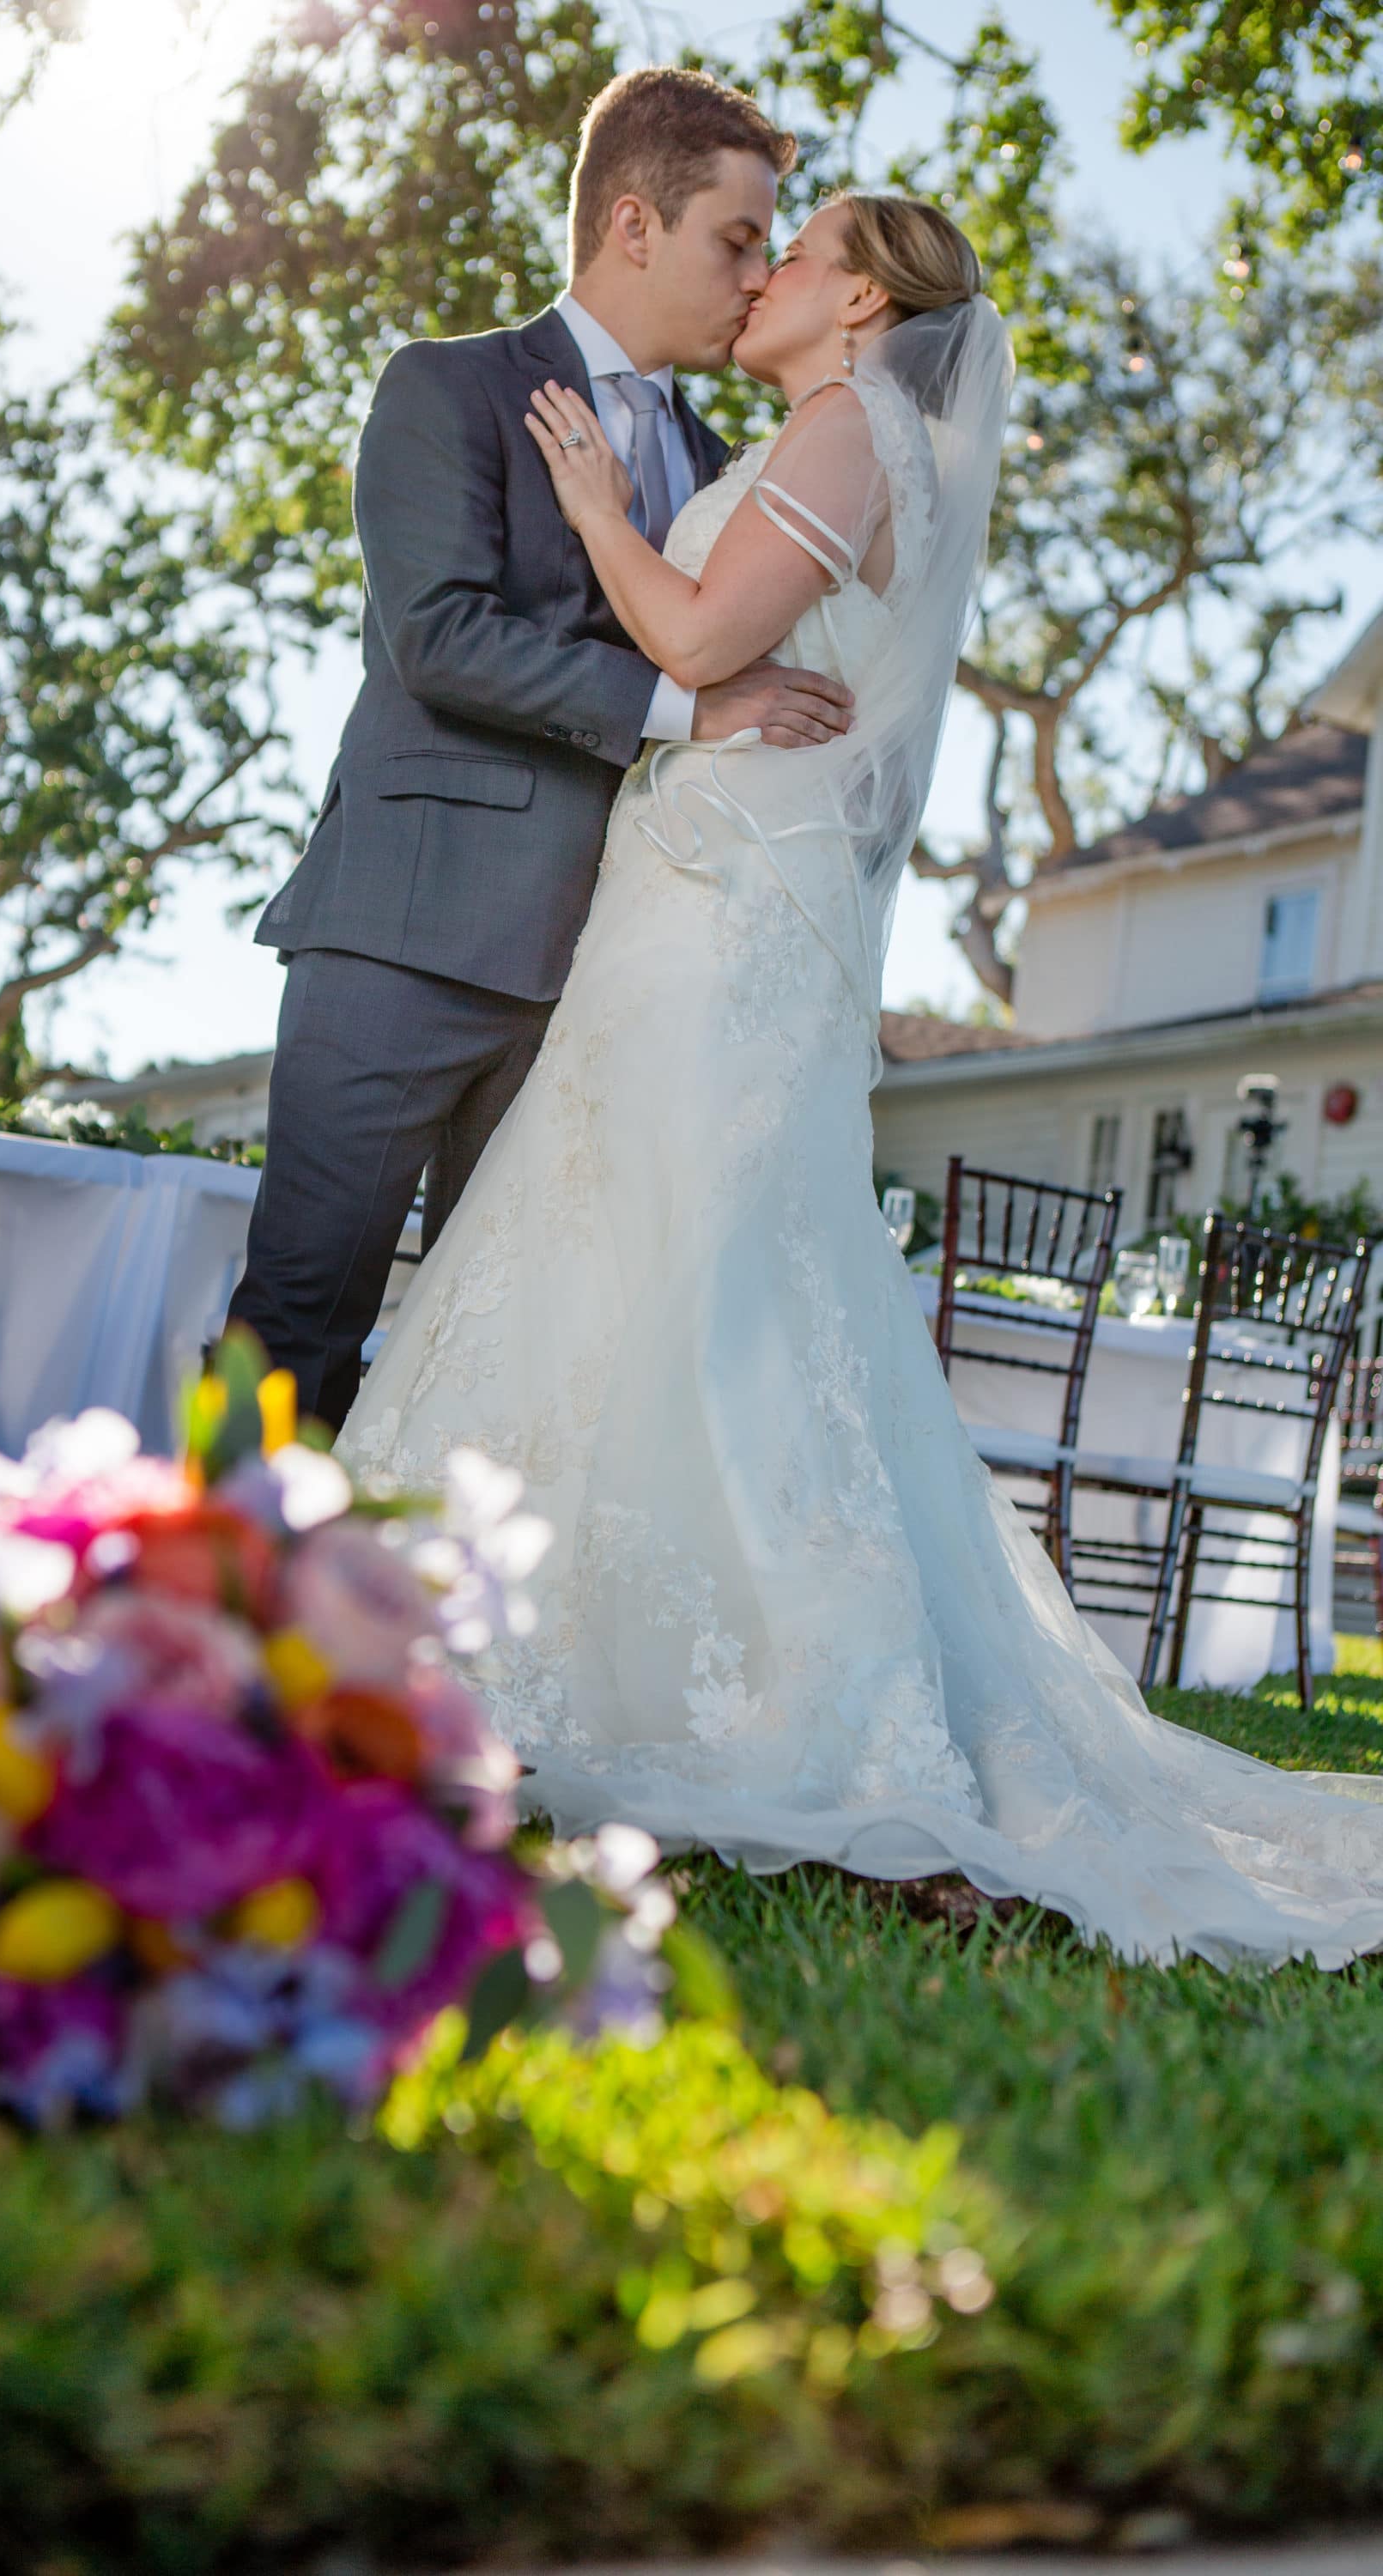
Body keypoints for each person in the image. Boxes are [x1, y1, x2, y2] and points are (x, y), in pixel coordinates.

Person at [343, 188, 1383, 1972]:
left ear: (859, 303)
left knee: (704, 1275)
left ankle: (789, 1688)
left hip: (731, 918)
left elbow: (690, 641)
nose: (761, 274)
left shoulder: (844, 431)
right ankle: (530, 1624)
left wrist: (596, 503)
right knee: (660, 1260)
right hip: (706, 898)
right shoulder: (834, 430)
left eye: (792, 250)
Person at [227, 67, 854, 1431]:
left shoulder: (729, 462)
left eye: (771, 248)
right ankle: (189, 1639)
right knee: (297, 1327)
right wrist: (695, 707)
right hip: (406, 933)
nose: (758, 277)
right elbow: (440, 638)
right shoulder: (447, 386)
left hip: (598, 980)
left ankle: (397, 1643)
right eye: (735, 241)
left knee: (490, 1366)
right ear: (634, 223)